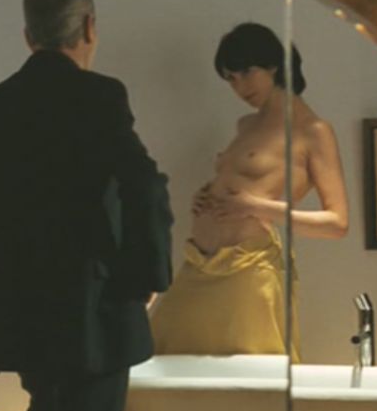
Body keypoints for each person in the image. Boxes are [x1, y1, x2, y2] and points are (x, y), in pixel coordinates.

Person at [0, 0, 173, 411]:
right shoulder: (98, 96)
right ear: (89, 27)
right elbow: (144, 186)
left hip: (24, 310)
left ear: (28, 35)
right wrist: (146, 275)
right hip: (94, 309)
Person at [149, 23, 348, 362]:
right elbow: (242, 180)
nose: (239, 86)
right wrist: (208, 195)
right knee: (162, 358)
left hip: (249, 266)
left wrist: (256, 206)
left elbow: (337, 223)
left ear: (274, 66)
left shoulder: (313, 131)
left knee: (249, 370)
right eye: (230, 78)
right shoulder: (246, 125)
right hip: (199, 260)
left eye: (246, 72)